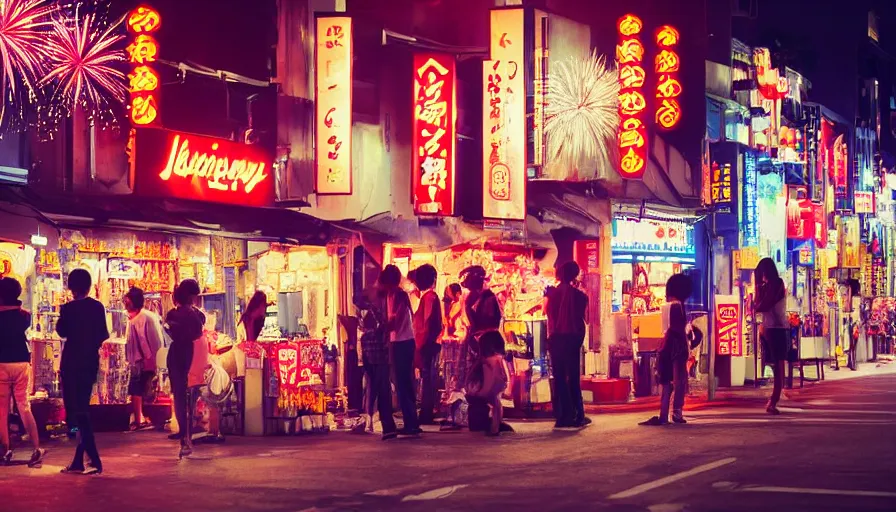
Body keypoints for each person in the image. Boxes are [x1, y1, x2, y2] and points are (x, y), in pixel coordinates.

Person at [58, 269, 108, 474]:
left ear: (71, 287)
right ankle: (79, 459)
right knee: (81, 408)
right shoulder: (98, 307)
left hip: (71, 363)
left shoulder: (68, 309)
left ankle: (94, 459)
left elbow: (61, 331)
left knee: (77, 413)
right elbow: (103, 334)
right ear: (89, 286)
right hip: (89, 362)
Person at [0, 277, 45, 466]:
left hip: (1, 363)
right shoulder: (24, 316)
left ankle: (6, 449)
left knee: (1, 409)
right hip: (20, 362)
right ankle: (36, 447)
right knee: (23, 405)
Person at [459, 265, 508, 432]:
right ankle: (486, 422)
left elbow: (487, 322)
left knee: (491, 387)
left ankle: (494, 424)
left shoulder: (487, 297)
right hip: (481, 344)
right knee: (480, 385)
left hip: (489, 344)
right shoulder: (474, 297)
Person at [640, 273, 693, 426]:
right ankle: (676, 412)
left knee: (667, 381)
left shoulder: (670, 306)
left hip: (668, 346)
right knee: (679, 380)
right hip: (679, 346)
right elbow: (679, 328)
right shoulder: (680, 306)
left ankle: (664, 415)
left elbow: (668, 328)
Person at [545, 261, 590, 429]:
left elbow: (549, 317)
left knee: (559, 378)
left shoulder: (552, 294)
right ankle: (578, 414)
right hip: (573, 338)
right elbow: (581, 320)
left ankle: (563, 415)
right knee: (573, 377)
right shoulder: (580, 296)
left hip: (557, 338)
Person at [165, 279, 205, 456]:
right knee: (191, 396)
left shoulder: (172, 314)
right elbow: (198, 331)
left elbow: (169, 332)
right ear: (191, 296)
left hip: (175, 355)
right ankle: (187, 436)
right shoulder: (195, 315)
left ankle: (184, 436)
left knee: (180, 397)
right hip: (191, 353)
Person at [380, 265, 420, 436]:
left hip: (403, 342)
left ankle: (411, 424)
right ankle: (411, 422)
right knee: (403, 383)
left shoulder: (398, 296)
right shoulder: (394, 295)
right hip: (402, 341)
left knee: (403, 383)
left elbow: (394, 321)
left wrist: (380, 330)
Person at [355, 288, 398, 440]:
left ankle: (381, 424)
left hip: (375, 356)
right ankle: (381, 424)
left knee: (377, 390)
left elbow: (378, 331)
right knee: (378, 390)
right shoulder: (373, 312)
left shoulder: (373, 313)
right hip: (376, 356)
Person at [124, 287, 165, 430]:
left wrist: (151, 359)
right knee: (137, 388)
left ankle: (140, 418)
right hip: (138, 360)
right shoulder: (134, 318)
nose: (125, 303)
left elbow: (149, 340)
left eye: (127, 301)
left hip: (144, 360)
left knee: (139, 388)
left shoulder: (145, 317)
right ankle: (139, 417)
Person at [754, 258, 788, 415]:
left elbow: (762, 305)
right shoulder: (766, 286)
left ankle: (774, 400)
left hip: (777, 328)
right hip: (769, 328)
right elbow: (757, 305)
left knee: (779, 365)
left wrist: (758, 291)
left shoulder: (777, 284)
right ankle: (773, 401)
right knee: (775, 365)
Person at [411, 264, 442, 425]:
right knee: (428, 378)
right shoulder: (429, 296)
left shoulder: (429, 297)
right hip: (428, 343)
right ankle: (426, 411)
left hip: (427, 343)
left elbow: (426, 321)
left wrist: (420, 344)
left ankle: (426, 412)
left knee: (428, 378)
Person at [466, 331, 509, 436]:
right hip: (482, 402)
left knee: (496, 404)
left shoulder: (488, 362)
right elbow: (489, 385)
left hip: (481, 399)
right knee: (496, 404)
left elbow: (489, 384)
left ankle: (495, 427)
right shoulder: (492, 362)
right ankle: (495, 427)